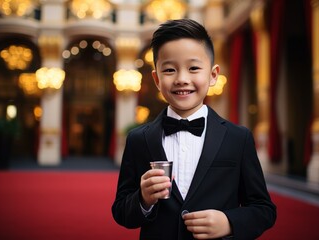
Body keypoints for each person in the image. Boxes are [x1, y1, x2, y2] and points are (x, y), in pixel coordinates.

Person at [112, 18, 276, 240]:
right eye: (169, 69)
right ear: (157, 79)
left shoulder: (238, 138)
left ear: (213, 75)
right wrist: (143, 199)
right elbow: (121, 212)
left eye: (194, 68)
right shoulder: (138, 139)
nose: (182, 79)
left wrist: (229, 223)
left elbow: (263, 209)